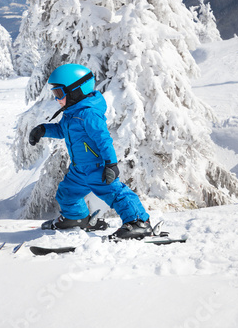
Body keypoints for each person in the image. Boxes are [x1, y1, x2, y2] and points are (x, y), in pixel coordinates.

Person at [29, 63, 152, 239]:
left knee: (116, 193)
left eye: (59, 93)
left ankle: (139, 223)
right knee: (66, 193)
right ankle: (75, 218)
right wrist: (43, 130)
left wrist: (111, 164)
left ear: (75, 91)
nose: (57, 99)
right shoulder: (71, 113)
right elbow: (63, 130)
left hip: (97, 168)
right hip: (79, 169)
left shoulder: (89, 114)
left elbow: (104, 140)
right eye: (54, 94)